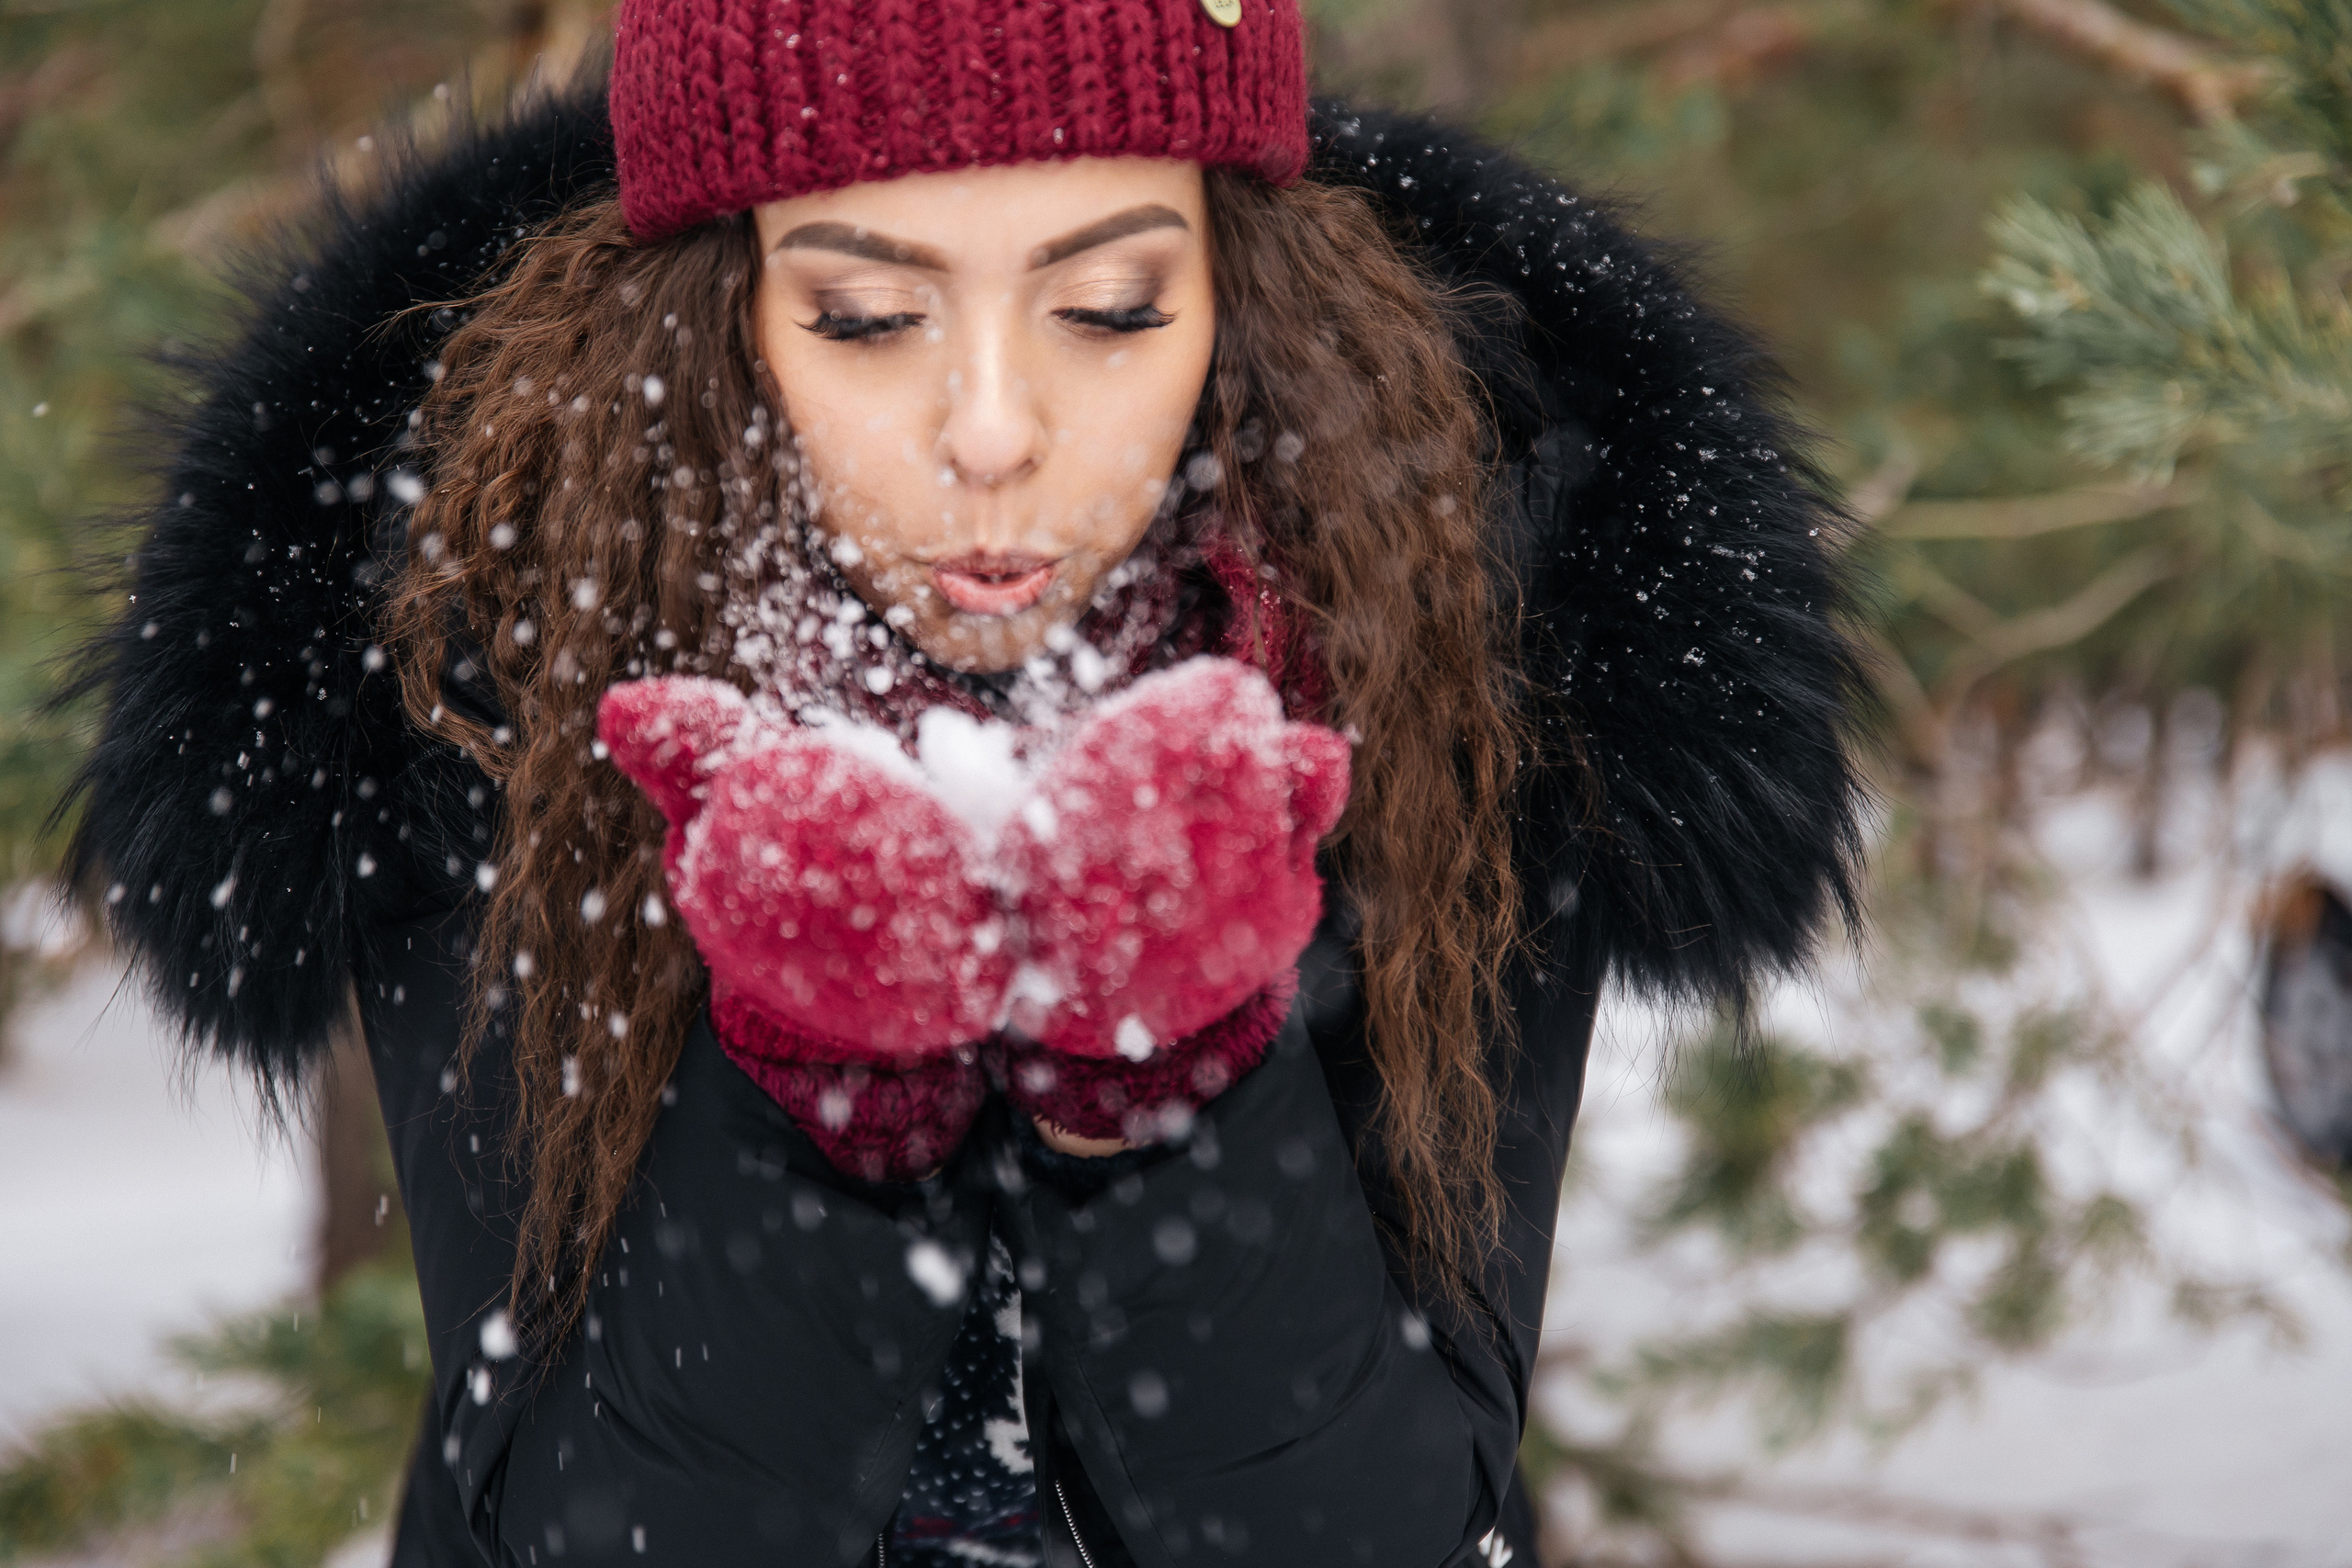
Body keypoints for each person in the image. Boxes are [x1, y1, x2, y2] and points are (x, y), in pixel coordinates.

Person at [62, 2, 1866, 1562]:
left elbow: (1393, 1519)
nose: (991, 428)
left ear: (1237, 297)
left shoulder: (1457, 631)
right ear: (723, 310)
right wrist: (825, 1101)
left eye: (1104, 307)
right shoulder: (493, 655)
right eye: (865, 318)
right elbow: (587, 1520)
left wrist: (1163, 1082)